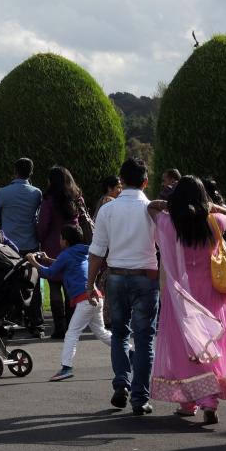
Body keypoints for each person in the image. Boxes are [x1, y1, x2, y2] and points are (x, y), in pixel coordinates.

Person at [147, 176, 226, 425]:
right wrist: (210, 206)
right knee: (210, 347)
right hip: (212, 292)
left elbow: (150, 208)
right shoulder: (214, 221)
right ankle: (198, 401)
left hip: (182, 295)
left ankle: (198, 400)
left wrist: (168, 204)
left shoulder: (168, 223)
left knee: (185, 349)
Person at [86, 158, 158, 415]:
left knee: (119, 333)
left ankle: (120, 382)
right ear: (145, 182)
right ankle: (140, 396)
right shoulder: (152, 209)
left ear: (121, 181)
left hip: (116, 276)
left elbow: (97, 251)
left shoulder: (108, 210)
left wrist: (90, 282)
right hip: (145, 276)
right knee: (145, 337)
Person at [27, 224, 110, 382]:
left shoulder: (66, 255)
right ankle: (130, 351)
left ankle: (66, 367)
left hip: (85, 300)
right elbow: (64, 264)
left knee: (72, 333)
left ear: (66, 241)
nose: (59, 240)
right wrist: (47, 259)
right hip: (96, 297)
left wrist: (33, 262)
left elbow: (50, 273)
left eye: (60, 238)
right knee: (101, 332)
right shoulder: (83, 251)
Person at [0, 158, 44, 331]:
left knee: (11, 282)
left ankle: (15, 317)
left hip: (10, 245)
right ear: (31, 172)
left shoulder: (3, 192)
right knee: (33, 282)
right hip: (30, 242)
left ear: (15, 171)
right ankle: (36, 320)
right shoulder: (36, 193)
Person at [37, 166, 87, 339]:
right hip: (72, 244)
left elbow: (43, 225)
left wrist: (39, 238)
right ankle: (73, 325)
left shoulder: (49, 199)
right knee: (69, 286)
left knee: (54, 285)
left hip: (53, 243)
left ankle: (59, 327)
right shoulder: (76, 197)